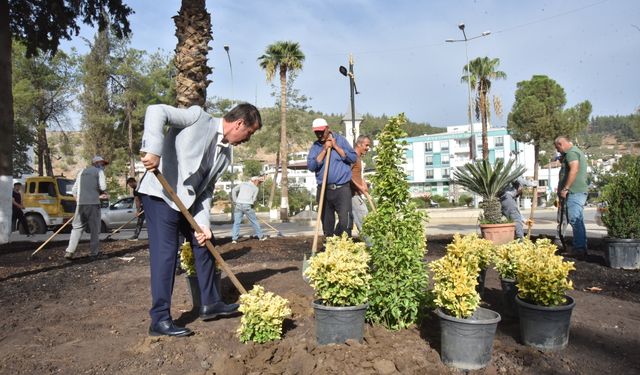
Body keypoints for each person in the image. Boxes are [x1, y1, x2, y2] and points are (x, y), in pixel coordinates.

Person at [138, 103, 262, 337]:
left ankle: (210, 303)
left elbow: (206, 190)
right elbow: (156, 111)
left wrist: (203, 223)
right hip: (160, 194)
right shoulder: (197, 118)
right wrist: (153, 150)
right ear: (239, 123)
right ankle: (160, 319)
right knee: (166, 255)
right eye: (250, 132)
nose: (248, 139)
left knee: (205, 241)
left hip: (185, 204)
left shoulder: (226, 155)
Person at [307, 118, 357, 237]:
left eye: (321, 131)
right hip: (324, 190)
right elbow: (311, 166)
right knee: (327, 223)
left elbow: (353, 158)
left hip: (342, 189)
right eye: (316, 132)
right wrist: (324, 149)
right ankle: (329, 246)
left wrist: (335, 146)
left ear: (327, 128)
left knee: (345, 222)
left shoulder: (341, 140)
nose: (319, 134)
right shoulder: (316, 146)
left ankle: (344, 244)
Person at [64, 156, 109, 260]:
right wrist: (100, 194)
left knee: (76, 228)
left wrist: (79, 201)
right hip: (93, 204)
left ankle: (69, 251)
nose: (103, 167)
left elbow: (74, 191)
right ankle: (94, 253)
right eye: (102, 164)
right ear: (97, 163)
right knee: (95, 229)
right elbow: (103, 187)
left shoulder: (81, 172)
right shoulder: (99, 172)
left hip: (80, 205)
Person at [554, 136, 589, 259]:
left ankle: (579, 249)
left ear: (560, 144)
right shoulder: (574, 152)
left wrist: (566, 188)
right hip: (576, 192)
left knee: (575, 219)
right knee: (577, 219)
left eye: (557, 148)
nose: (558, 151)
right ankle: (581, 248)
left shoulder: (571, 153)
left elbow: (574, 169)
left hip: (574, 192)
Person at [231, 176, 267, 243]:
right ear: (255, 181)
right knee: (254, 221)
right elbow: (253, 200)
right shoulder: (256, 188)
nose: (259, 183)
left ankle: (234, 239)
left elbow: (233, 190)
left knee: (236, 222)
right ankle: (261, 237)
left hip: (238, 205)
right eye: (259, 182)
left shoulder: (243, 183)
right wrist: (252, 207)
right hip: (247, 206)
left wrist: (235, 200)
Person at [349, 135, 372, 236]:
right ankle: (372, 247)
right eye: (366, 145)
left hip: (356, 194)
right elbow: (347, 175)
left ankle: (335, 243)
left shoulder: (357, 158)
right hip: (352, 195)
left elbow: (356, 174)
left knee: (347, 223)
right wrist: (360, 187)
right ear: (359, 144)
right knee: (365, 220)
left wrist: (363, 182)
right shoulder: (353, 157)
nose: (368, 148)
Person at [499, 175, 534, 240]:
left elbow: (516, 212)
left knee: (513, 218)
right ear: (520, 187)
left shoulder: (510, 198)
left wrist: (525, 220)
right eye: (523, 187)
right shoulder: (508, 197)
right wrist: (532, 183)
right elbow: (516, 177)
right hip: (506, 197)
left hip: (503, 198)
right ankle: (520, 239)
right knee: (516, 219)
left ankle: (513, 238)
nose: (523, 190)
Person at [553, 153, 569, 250]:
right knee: (562, 219)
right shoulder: (562, 170)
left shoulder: (566, 169)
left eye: (560, 159)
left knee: (564, 219)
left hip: (566, 197)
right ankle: (559, 238)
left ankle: (560, 238)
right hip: (562, 197)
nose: (559, 161)